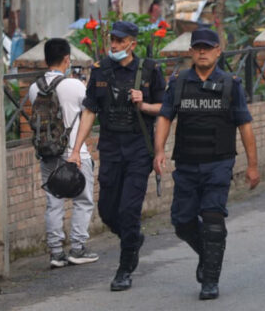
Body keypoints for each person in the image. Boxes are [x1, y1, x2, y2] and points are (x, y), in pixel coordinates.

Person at [153, 28, 260, 300]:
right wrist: (159, 151)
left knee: (213, 220)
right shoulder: (178, 83)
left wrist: (252, 165)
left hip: (218, 164)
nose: (202, 52)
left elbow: (245, 126)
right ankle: (207, 253)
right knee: (182, 222)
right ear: (191, 51)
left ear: (218, 51)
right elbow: (165, 117)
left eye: (208, 47)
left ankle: (210, 280)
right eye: (198, 47)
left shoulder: (230, 84)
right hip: (187, 164)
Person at [69, 21, 166, 291]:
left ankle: (124, 269)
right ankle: (132, 239)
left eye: (120, 41)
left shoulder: (150, 70)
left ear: (132, 44)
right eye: (112, 39)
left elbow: (165, 108)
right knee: (107, 211)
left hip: (139, 150)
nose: (114, 45)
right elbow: (90, 110)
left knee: (128, 210)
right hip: (111, 150)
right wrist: (76, 149)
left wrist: (143, 104)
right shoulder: (101, 69)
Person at [28, 38, 98, 269]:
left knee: (53, 202)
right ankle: (78, 249)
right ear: (67, 59)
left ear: (45, 59)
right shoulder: (74, 86)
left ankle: (56, 253)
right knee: (82, 201)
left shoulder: (34, 88)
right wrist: (76, 150)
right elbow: (90, 112)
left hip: (48, 154)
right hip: (74, 154)